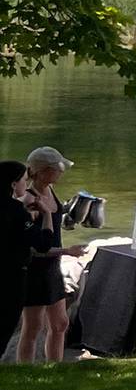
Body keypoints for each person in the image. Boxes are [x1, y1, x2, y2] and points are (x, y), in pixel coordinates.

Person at [16, 147, 86, 362]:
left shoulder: (50, 191)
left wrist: (76, 211)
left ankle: (55, 369)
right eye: (58, 168)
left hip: (52, 268)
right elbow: (34, 248)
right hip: (35, 270)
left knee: (60, 324)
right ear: (44, 171)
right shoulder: (30, 202)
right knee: (33, 327)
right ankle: (23, 371)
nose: (61, 173)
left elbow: (55, 223)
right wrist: (67, 251)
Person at [2, 160, 55, 351]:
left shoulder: (17, 211)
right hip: (12, 278)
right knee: (5, 326)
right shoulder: (15, 210)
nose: (27, 184)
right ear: (13, 184)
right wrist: (47, 214)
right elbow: (43, 244)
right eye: (24, 180)